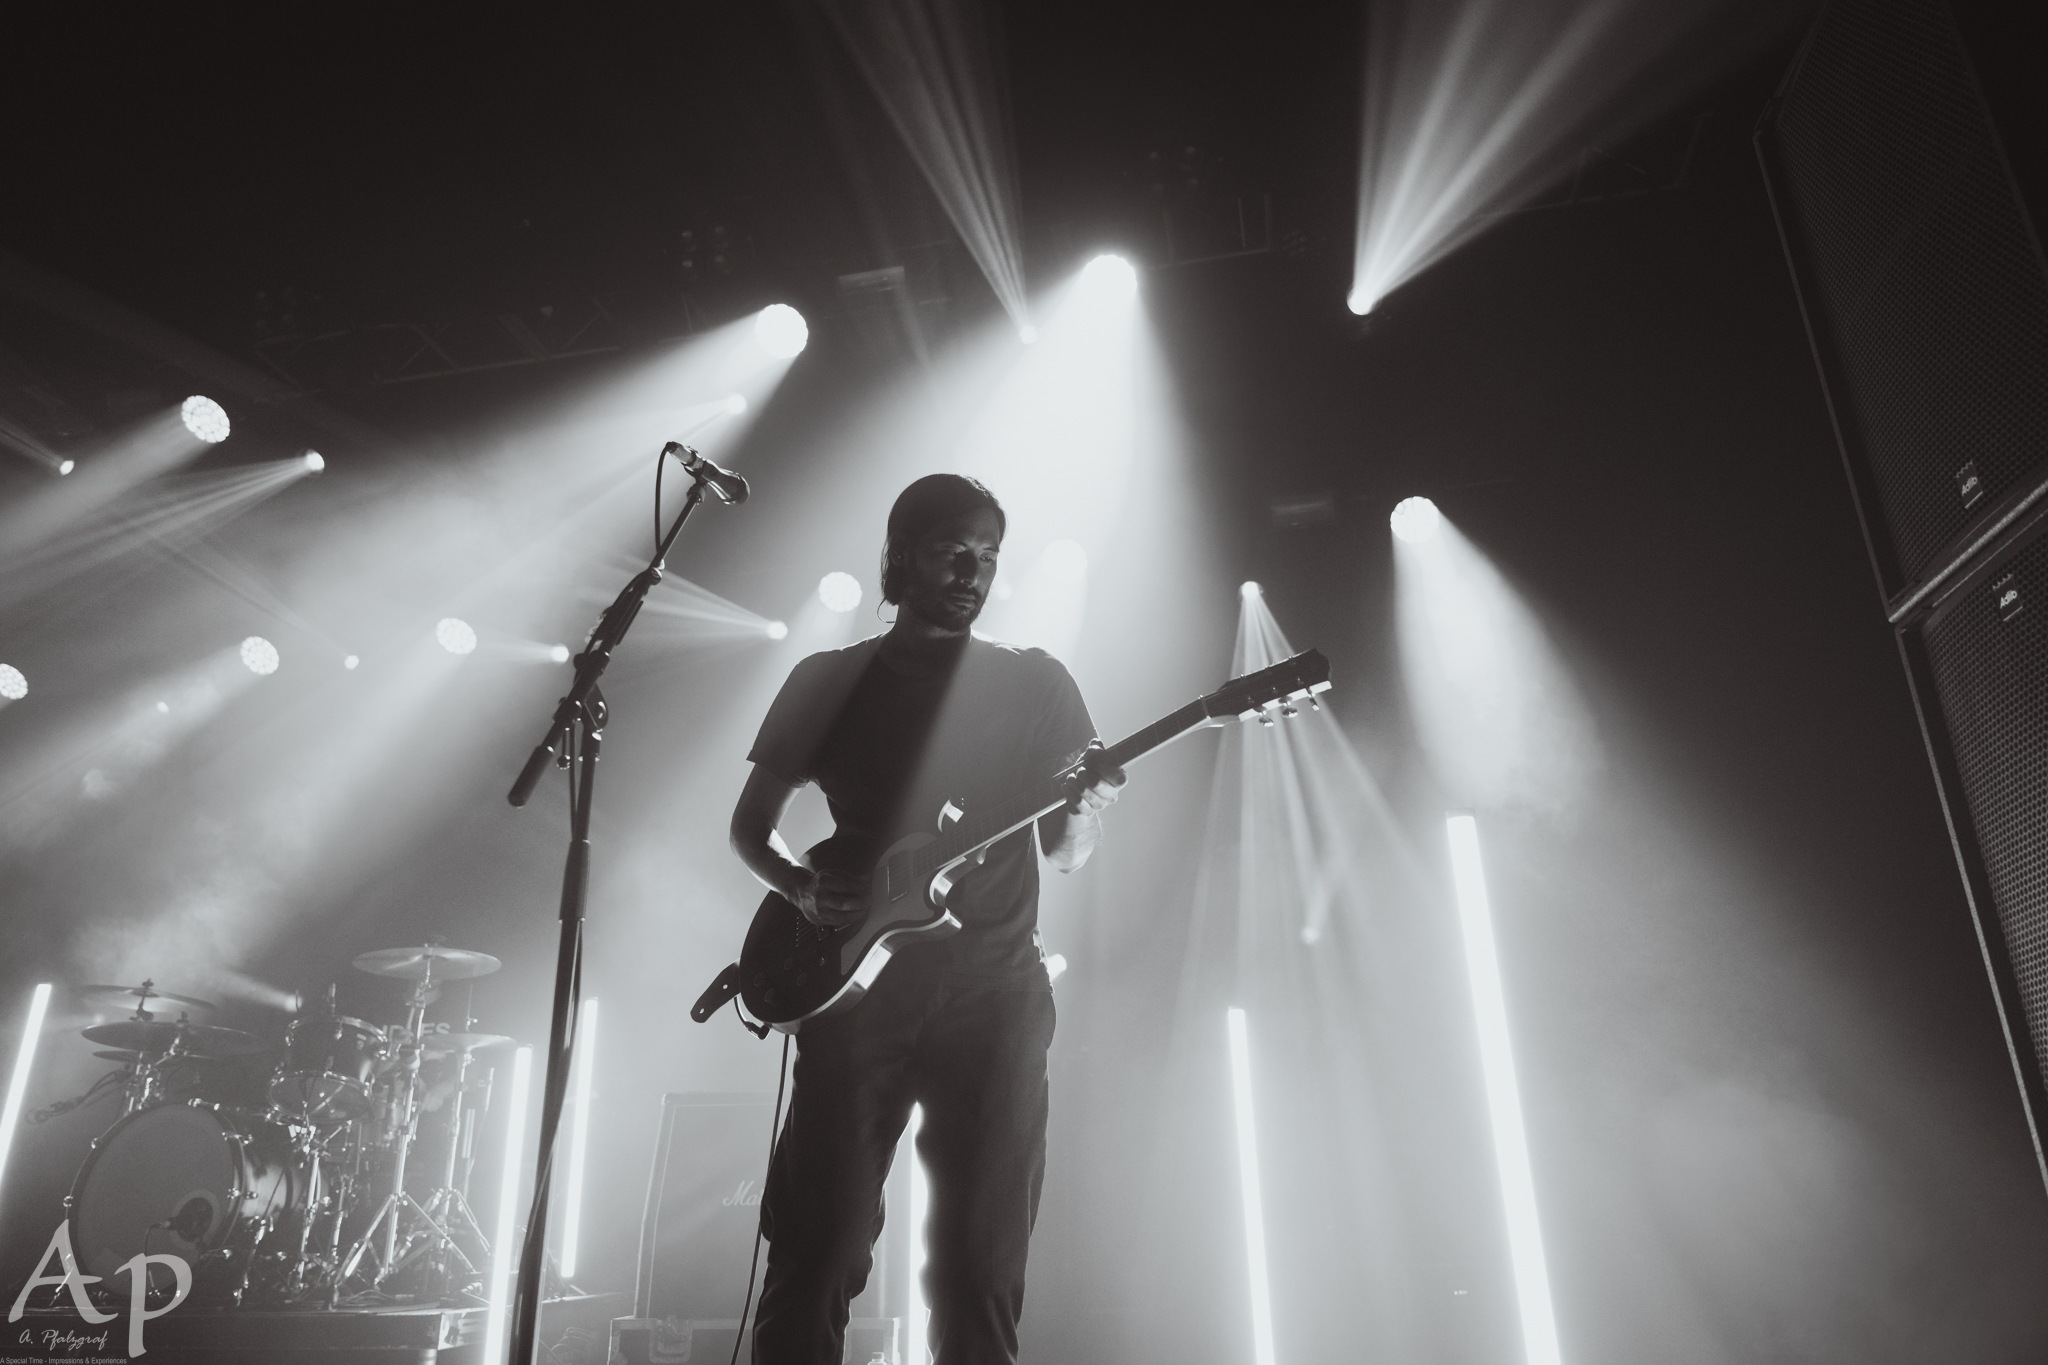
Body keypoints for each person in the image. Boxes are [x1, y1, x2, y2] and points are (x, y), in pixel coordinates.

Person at [729, 473, 1125, 1365]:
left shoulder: (1035, 683)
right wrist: (798, 886)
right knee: (818, 1248)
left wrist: (1086, 805)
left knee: (980, 1267)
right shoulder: (829, 679)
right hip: (852, 994)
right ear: (902, 554)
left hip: (995, 994)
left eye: (988, 555)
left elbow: (1065, 851)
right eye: (955, 551)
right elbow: (750, 826)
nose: (973, 572)